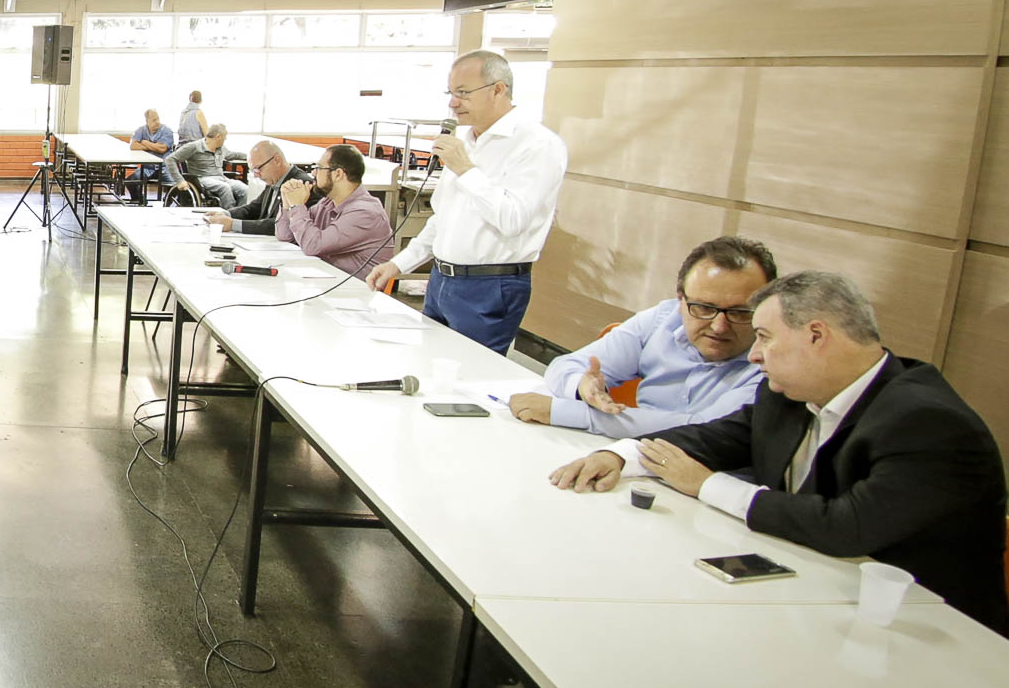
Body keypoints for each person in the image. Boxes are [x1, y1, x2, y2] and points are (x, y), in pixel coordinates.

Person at [548, 271, 1009, 635]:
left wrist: (707, 484)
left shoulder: (927, 421)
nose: (753, 355)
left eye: (765, 336)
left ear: (816, 335)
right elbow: (712, 437)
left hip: (925, 634)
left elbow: (847, 527)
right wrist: (622, 455)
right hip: (812, 598)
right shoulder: (788, 394)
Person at [364, 50, 568, 354]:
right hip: (441, 281)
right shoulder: (468, 141)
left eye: (463, 93)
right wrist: (400, 263)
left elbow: (513, 220)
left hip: (489, 286)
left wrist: (465, 169)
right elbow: (443, 219)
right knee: (429, 368)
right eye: (451, 93)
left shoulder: (537, 144)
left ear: (498, 90)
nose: (453, 103)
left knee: (467, 380)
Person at [510, 237, 776, 436]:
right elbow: (565, 366)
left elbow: (700, 429)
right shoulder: (663, 318)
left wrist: (567, 412)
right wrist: (583, 388)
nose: (719, 326)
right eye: (704, 308)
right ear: (680, 299)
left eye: (740, 312)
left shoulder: (772, 360)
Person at [268, 143, 395, 275]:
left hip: (354, 291)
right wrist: (287, 201)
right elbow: (284, 236)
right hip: (328, 283)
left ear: (338, 174)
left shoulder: (365, 213)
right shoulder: (328, 203)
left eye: (319, 168)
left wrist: (297, 206)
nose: (313, 173)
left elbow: (313, 246)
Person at [203, 140, 310, 234]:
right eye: (253, 170)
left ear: (277, 160)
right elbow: (254, 208)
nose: (255, 175)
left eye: (258, 169)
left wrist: (233, 224)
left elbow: (279, 224)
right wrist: (225, 214)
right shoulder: (274, 179)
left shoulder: (300, 184)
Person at [166, 124, 247, 208]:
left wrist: (249, 157)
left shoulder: (221, 148)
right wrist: (179, 180)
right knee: (225, 188)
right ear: (218, 137)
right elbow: (170, 159)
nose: (225, 139)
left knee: (244, 189)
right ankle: (229, 215)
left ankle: (240, 215)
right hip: (202, 178)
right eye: (225, 136)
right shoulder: (194, 146)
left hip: (222, 178)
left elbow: (232, 155)